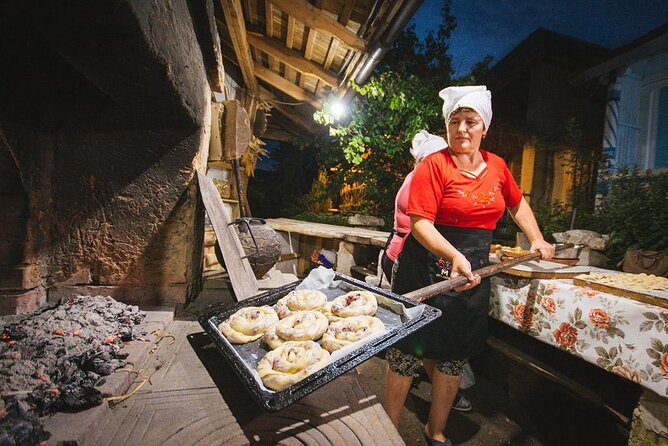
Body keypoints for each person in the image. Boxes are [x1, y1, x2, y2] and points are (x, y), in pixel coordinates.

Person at [384, 85, 554, 446]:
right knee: (406, 351)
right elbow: (420, 222)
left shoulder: (497, 168)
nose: (461, 128)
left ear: (484, 128)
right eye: (454, 121)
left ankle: (436, 429)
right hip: (426, 265)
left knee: (452, 355)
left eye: (470, 121)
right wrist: (453, 256)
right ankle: (387, 430)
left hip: (471, 272)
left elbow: (517, 204)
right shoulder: (434, 164)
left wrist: (536, 238)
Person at [380, 129, 474, 413]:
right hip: (406, 261)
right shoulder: (422, 180)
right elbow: (429, 229)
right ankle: (434, 391)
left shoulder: (420, 178)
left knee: (429, 329)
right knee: (418, 332)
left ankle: (443, 389)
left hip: (409, 257)